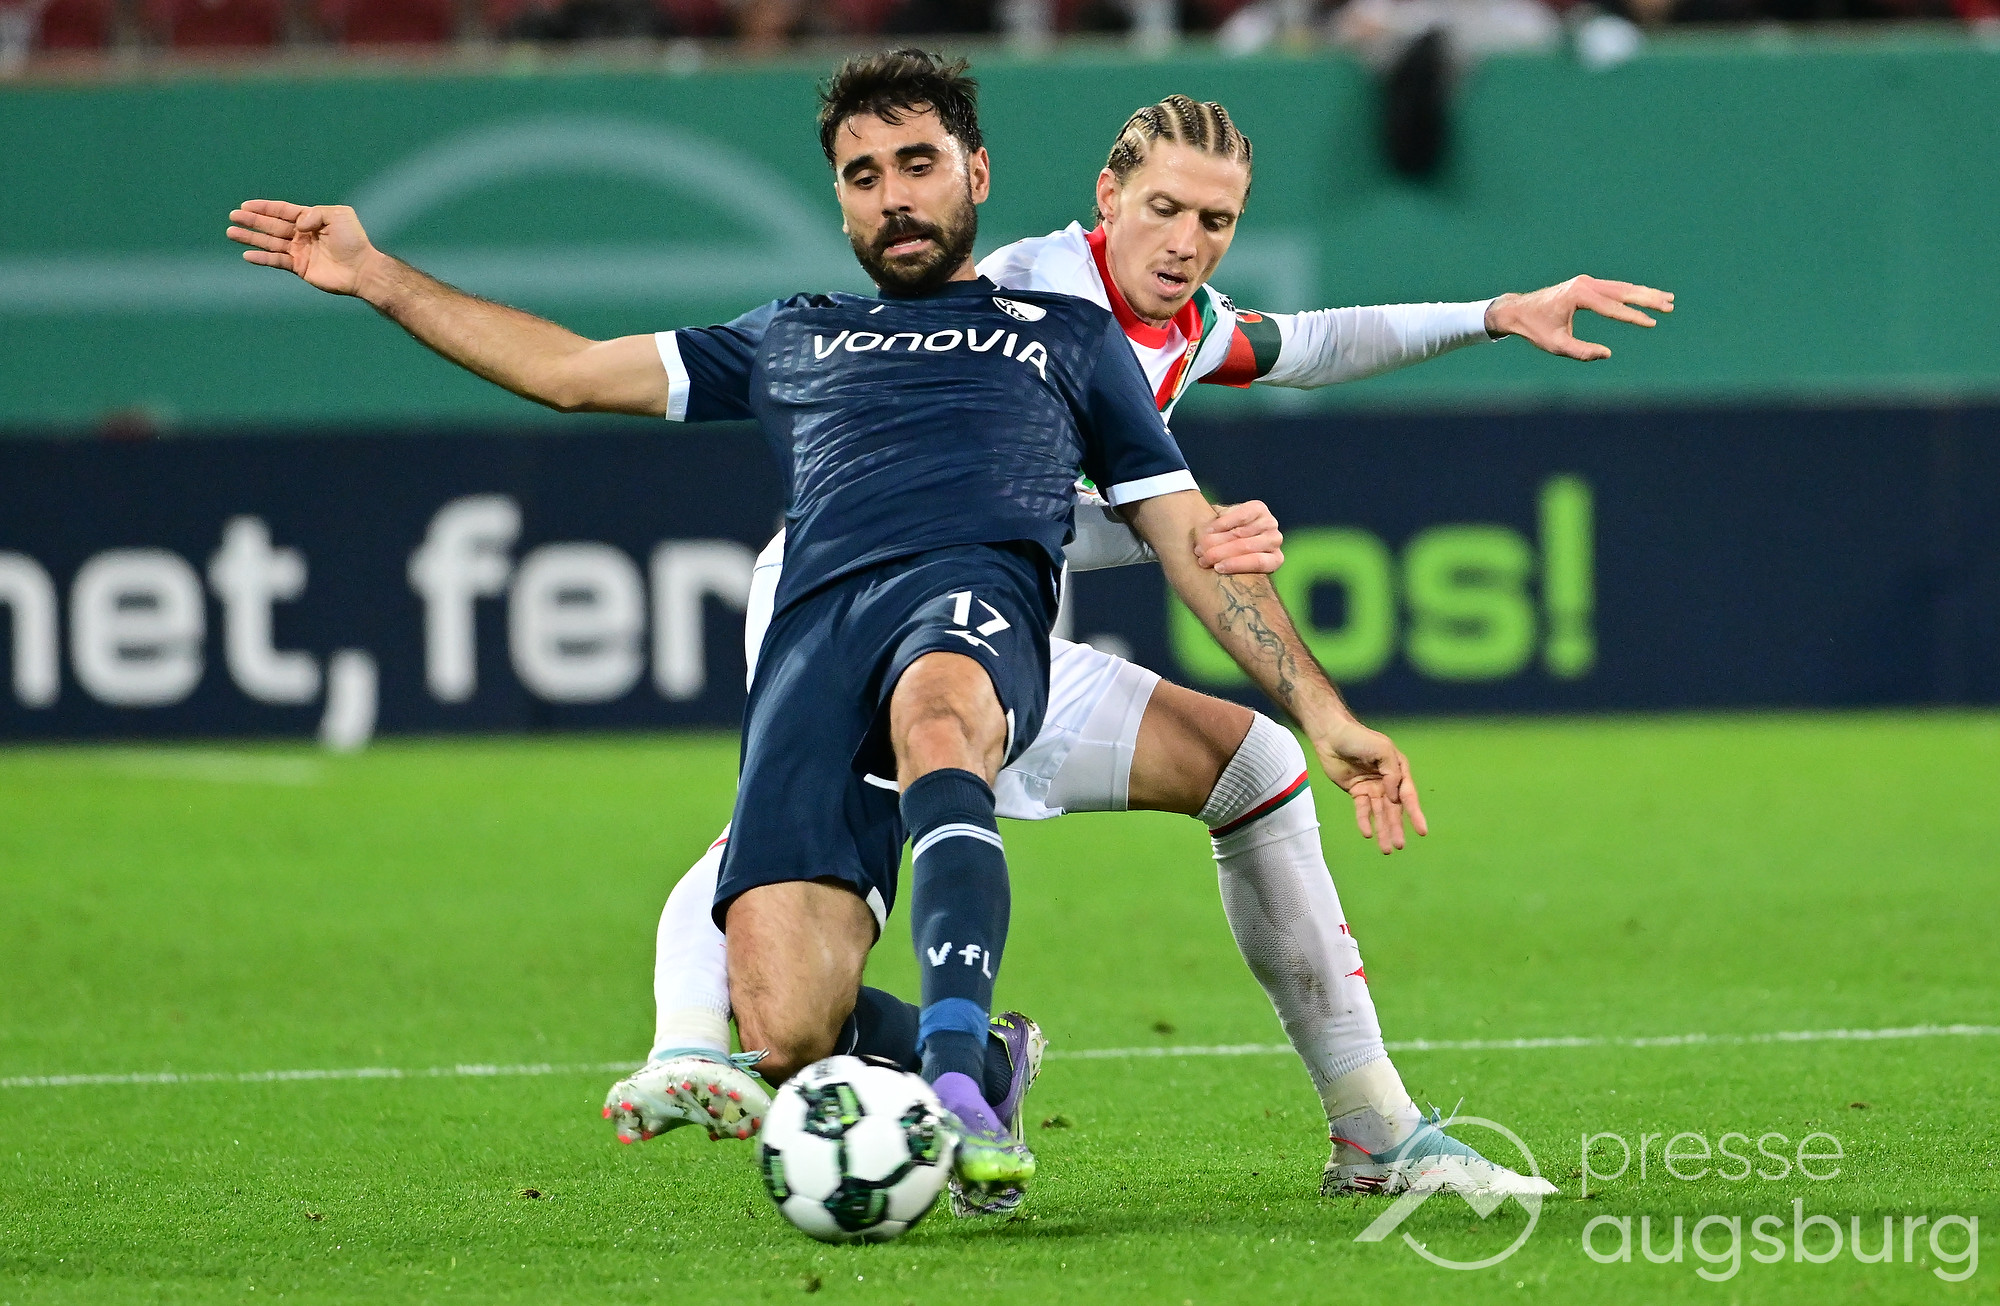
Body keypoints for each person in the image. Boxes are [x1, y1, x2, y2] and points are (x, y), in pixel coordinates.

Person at [224, 49, 1424, 1207]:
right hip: (817, 640)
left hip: (968, 614)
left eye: (917, 163)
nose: (896, 197)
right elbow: (572, 371)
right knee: (790, 1024)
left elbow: (1186, 540)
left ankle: (959, 1083)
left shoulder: (1064, 338)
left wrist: (1321, 711)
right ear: (843, 201)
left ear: (977, 174)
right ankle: (978, 1059)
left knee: (946, 708)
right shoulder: (794, 332)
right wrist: (378, 275)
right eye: (865, 176)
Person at [610, 89, 1670, 1205]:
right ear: (1106, 197)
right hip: (850, 605)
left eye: (1215, 221)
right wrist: (1181, 536)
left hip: (992, 628)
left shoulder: (1181, 316)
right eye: (1164, 210)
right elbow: (1013, 504)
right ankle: (692, 1041)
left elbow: (1301, 343)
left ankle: (1371, 1131)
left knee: (1252, 769)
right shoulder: (1027, 297)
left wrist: (1495, 313)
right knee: (773, 883)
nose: (1186, 243)